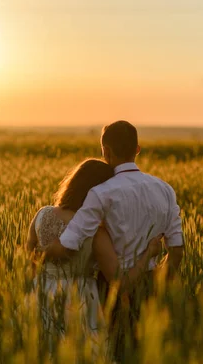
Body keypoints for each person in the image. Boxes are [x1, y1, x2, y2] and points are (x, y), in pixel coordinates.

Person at [44, 121, 185, 361]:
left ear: (106, 152)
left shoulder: (100, 194)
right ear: (137, 149)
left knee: (114, 354)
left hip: (109, 291)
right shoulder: (165, 189)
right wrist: (157, 282)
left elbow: (68, 244)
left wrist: (41, 248)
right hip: (152, 289)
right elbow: (177, 250)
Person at [25, 158, 164, 350]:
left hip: (38, 297)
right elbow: (120, 283)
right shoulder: (95, 231)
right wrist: (149, 253)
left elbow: (29, 261)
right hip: (79, 305)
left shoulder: (42, 215)